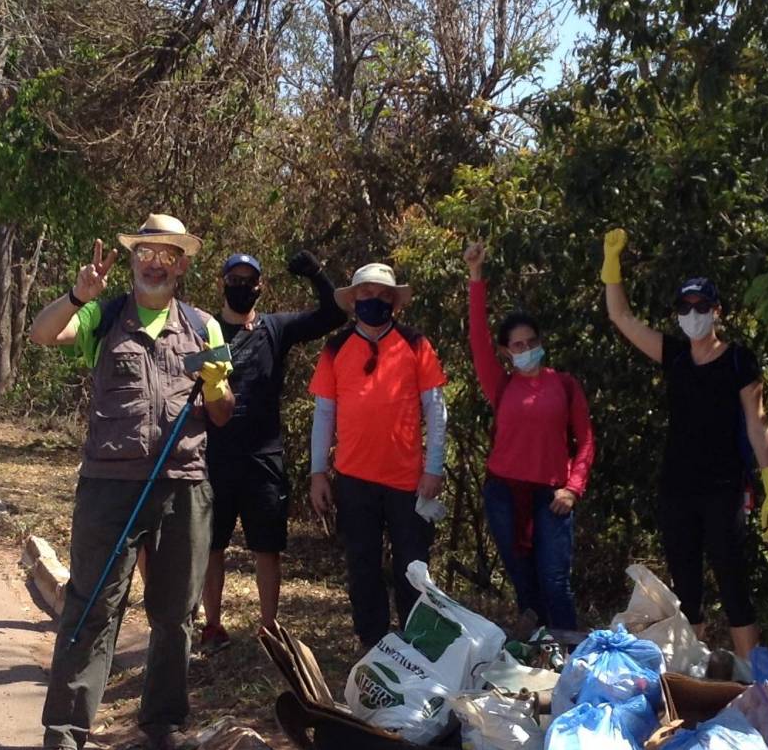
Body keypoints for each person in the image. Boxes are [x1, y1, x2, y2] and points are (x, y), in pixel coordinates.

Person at [26, 214, 233, 750]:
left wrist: (217, 385)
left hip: (184, 483)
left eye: (167, 254)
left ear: (181, 265)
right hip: (109, 486)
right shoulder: (104, 315)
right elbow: (43, 334)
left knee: (176, 613)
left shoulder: (205, 328)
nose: (154, 263)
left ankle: (163, 724)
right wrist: (78, 295)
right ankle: (65, 734)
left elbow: (222, 413)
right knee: (93, 604)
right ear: (134, 259)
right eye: (145, 252)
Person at [601, 229, 768, 659]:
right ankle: (694, 679)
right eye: (685, 307)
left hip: (723, 489)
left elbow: (758, 425)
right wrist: (612, 264)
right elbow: (621, 317)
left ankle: (756, 685)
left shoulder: (738, 360)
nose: (693, 314)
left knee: (734, 587)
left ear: (717, 311)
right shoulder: (676, 355)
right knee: (686, 594)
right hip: (677, 489)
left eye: (702, 306)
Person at [197, 247, 344, 650]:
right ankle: (212, 625)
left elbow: (334, 314)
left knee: (268, 547)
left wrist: (316, 273)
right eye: (235, 280)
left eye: (249, 281)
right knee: (211, 546)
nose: (241, 287)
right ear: (222, 283)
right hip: (214, 456)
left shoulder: (275, 328)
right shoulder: (205, 330)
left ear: (260, 286)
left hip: (264, 457)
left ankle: (269, 629)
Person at [308, 263, 448, 647]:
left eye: (384, 295)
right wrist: (318, 472)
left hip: (409, 480)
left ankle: (419, 644)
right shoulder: (336, 348)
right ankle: (374, 645)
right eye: (366, 294)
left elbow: (436, 410)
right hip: (353, 479)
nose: (375, 301)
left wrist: (434, 468)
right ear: (353, 300)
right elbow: (324, 413)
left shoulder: (415, 344)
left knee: (413, 567)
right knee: (362, 566)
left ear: (395, 302)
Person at [464, 240, 595, 631]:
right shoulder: (501, 384)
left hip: (552, 496)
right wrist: (475, 276)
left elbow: (586, 440)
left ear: (541, 342)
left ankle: (570, 654)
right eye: (518, 345)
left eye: (532, 342)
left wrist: (573, 488)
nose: (526, 349)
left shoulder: (565, 385)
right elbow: (477, 338)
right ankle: (537, 654)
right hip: (504, 493)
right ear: (507, 351)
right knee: (523, 581)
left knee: (555, 581)